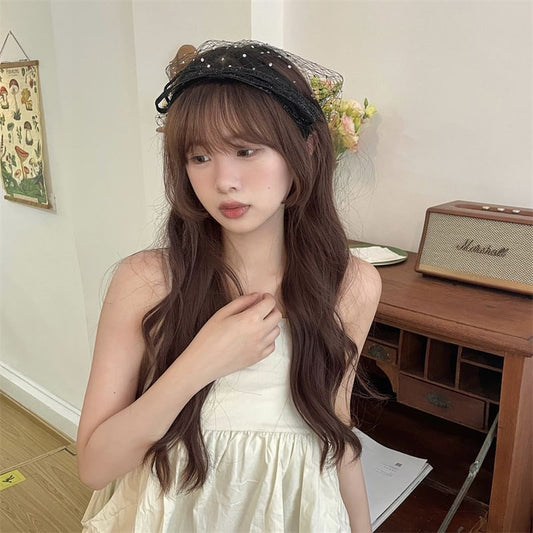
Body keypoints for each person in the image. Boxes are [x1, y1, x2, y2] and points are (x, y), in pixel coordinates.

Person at [77, 40, 381, 532]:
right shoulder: (146, 281)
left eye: (245, 150)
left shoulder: (354, 285)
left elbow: (336, 428)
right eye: (200, 157)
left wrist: (360, 525)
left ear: (305, 148)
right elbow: (94, 467)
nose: (224, 180)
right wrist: (201, 362)